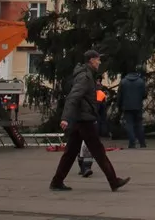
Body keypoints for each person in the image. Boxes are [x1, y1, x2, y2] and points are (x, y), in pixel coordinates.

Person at [50, 50, 130, 192]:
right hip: (84, 120)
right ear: (91, 60)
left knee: (70, 153)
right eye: (98, 59)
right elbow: (73, 97)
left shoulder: (87, 75)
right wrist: (65, 118)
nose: (99, 62)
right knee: (98, 151)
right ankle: (113, 181)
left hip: (81, 119)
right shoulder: (85, 77)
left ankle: (57, 181)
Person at [77, 83, 108, 177]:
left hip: (89, 122)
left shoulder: (81, 92)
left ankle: (85, 167)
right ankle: (84, 167)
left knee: (85, 146)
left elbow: (102, 113)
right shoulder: (99, 94)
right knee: (83, 146)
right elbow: (103, 113)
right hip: (88, 122)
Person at [118, 69, 147, 149]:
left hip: (127, 106)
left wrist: (119, 105)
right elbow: (145, 94)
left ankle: (132, 143)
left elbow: (119, 95)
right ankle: (142, 143)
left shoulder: (123, 82)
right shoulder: (141, 81)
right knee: (139, 124)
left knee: (129, 124)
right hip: (138, 106)